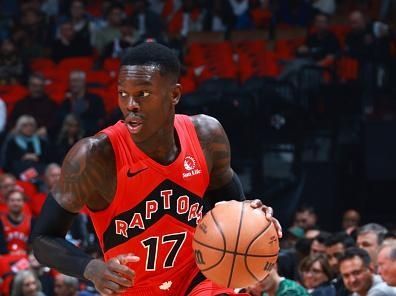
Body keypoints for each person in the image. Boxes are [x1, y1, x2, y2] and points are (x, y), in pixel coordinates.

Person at [32, 42, 282, 295]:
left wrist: (252, 216)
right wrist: (91, 268)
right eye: (123, 93)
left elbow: (233, 207)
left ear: (174, 95)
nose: (131, 104)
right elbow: (42, 239)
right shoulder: (95, 155)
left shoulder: (206, 136)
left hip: (201, 278)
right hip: (135, 288)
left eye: (143, 93)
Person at [58, 71, 106, 136]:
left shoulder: (95, 99)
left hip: (90, 135)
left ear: (83, 82)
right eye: (71, 81)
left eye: (76, 81)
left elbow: (100, 120)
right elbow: (60, 118)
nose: (73, 84)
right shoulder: (66, 102)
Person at [242, 264, 309, 295]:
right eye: (255, 279)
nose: (260, 281)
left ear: (274, 266)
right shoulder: (265, 293)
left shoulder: (291, 290)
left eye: (264, 276)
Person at [0, 190, 32, 255]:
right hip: (5, 260)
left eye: (18, 200)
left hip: (27, 259)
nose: (15, 203)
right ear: (7, 202)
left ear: (24, 202)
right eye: (12, 200)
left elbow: (34, 244)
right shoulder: (0, 221)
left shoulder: (32, 221)